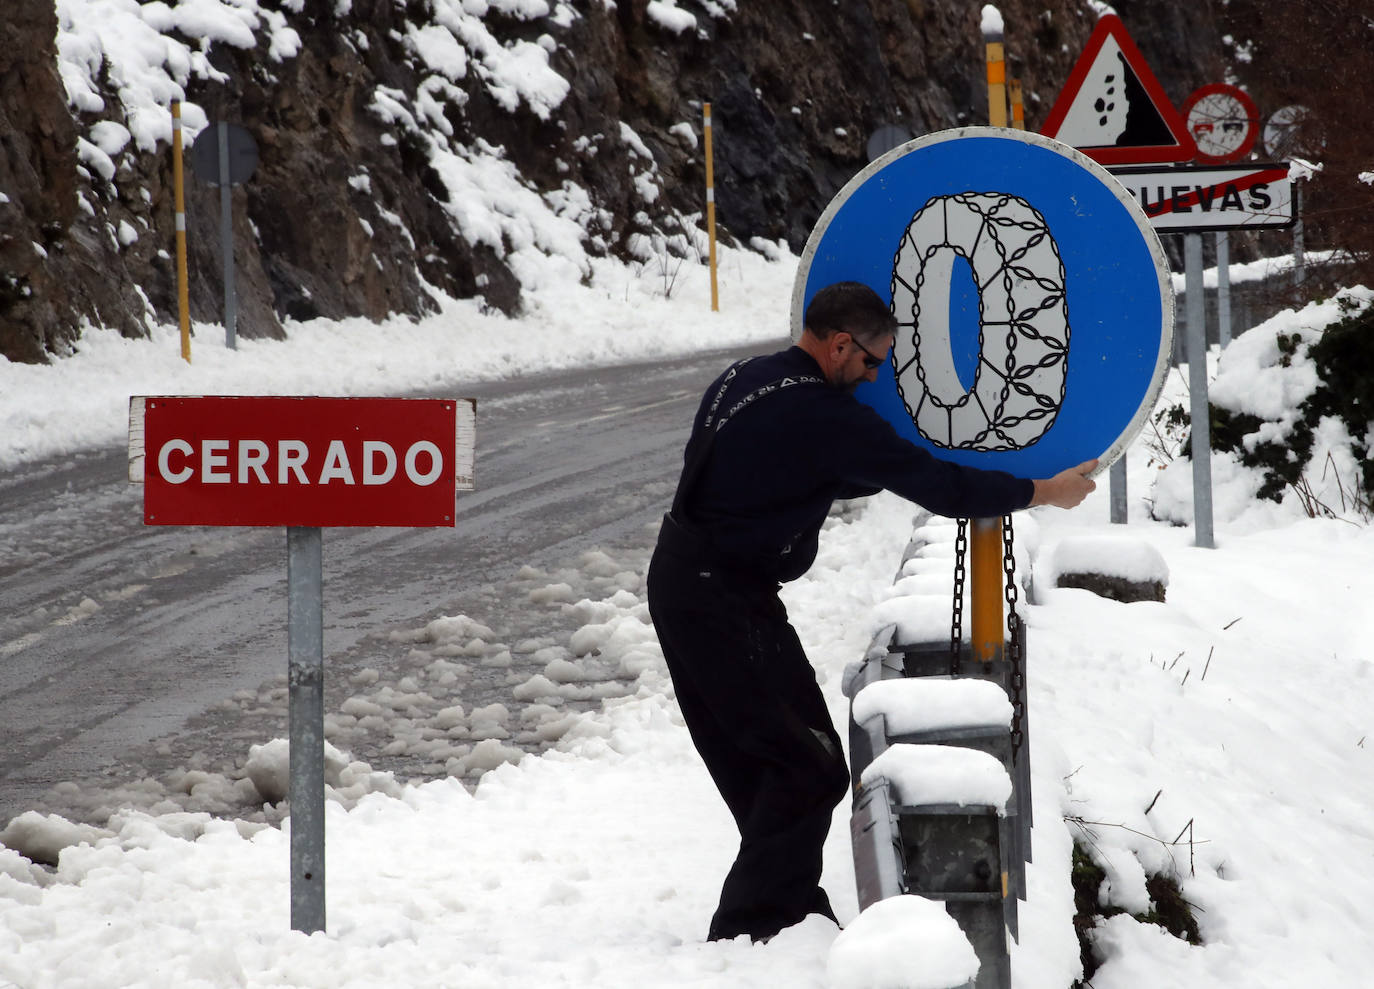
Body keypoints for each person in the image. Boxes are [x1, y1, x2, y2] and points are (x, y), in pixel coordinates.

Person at [645, 280, 1096, 944]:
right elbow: (936, 483)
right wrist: (1041, 490)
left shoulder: (745, 378)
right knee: (808, 766)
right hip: (720, 596)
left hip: (687, 578)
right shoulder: (824, 416)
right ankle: (749, 928)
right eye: (873, 362)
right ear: (838, 344)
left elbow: (818, 466)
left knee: (764, 760)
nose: (874, 376)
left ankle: (788, 906)